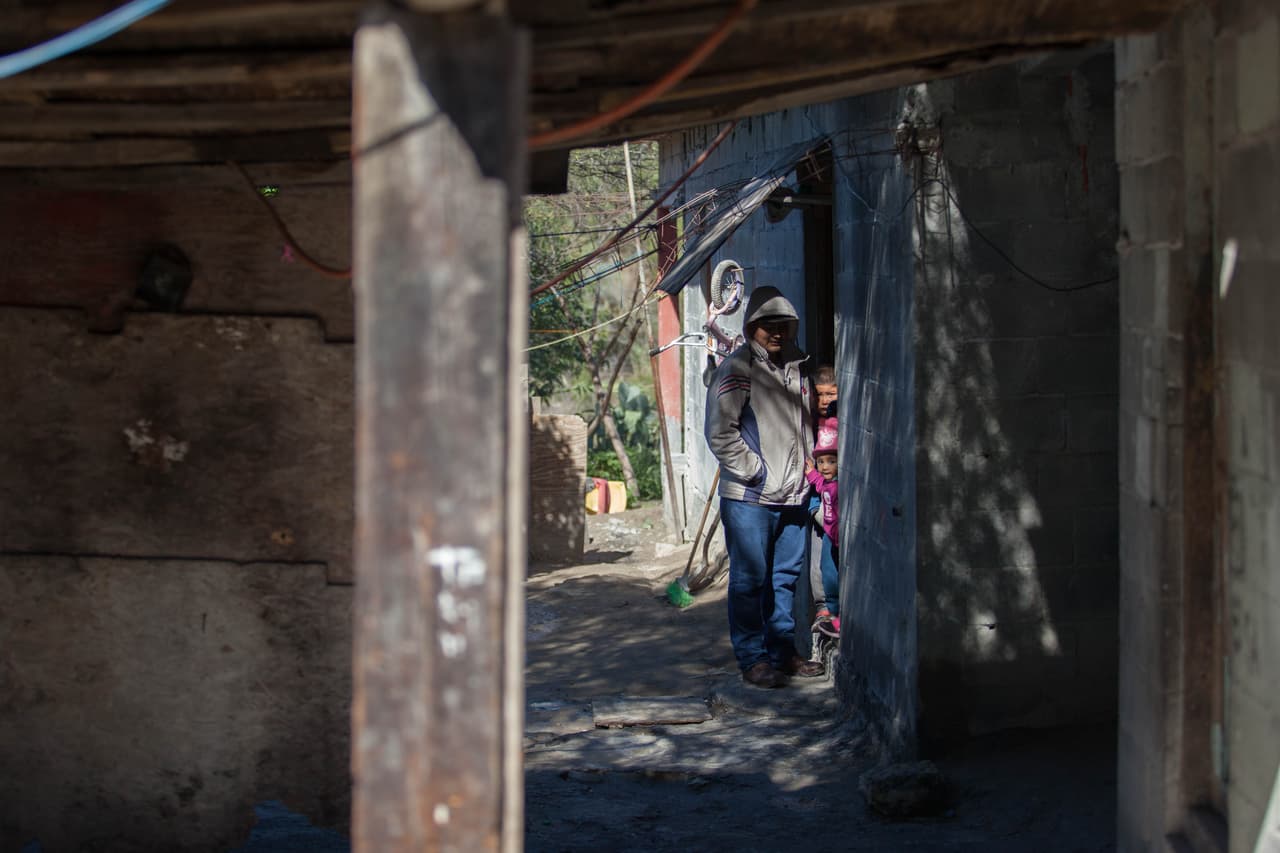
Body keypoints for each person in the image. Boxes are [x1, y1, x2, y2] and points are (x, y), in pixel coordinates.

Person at [705, 285, 825, 688]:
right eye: (766, 325)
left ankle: (782, 652)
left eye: (783, 325)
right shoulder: (738, 369)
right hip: (751, 498)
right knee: (749, 580)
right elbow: (721, 433)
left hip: (795, 494)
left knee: (785, 577)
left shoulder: (799, 366)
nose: (776, 332)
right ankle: (752, 659)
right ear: (751, 327)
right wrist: (755, 471)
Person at [806, 416, 841, 634]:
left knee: (839, 577)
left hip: (840, 538)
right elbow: (818, 483)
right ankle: (834, 615)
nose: (825, 467)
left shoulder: (841, 486)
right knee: (828, 576)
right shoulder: (826, 483)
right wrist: (810, 471)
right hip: (829, 537)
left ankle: (841, 616)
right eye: (821, 462)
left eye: (831, 461)